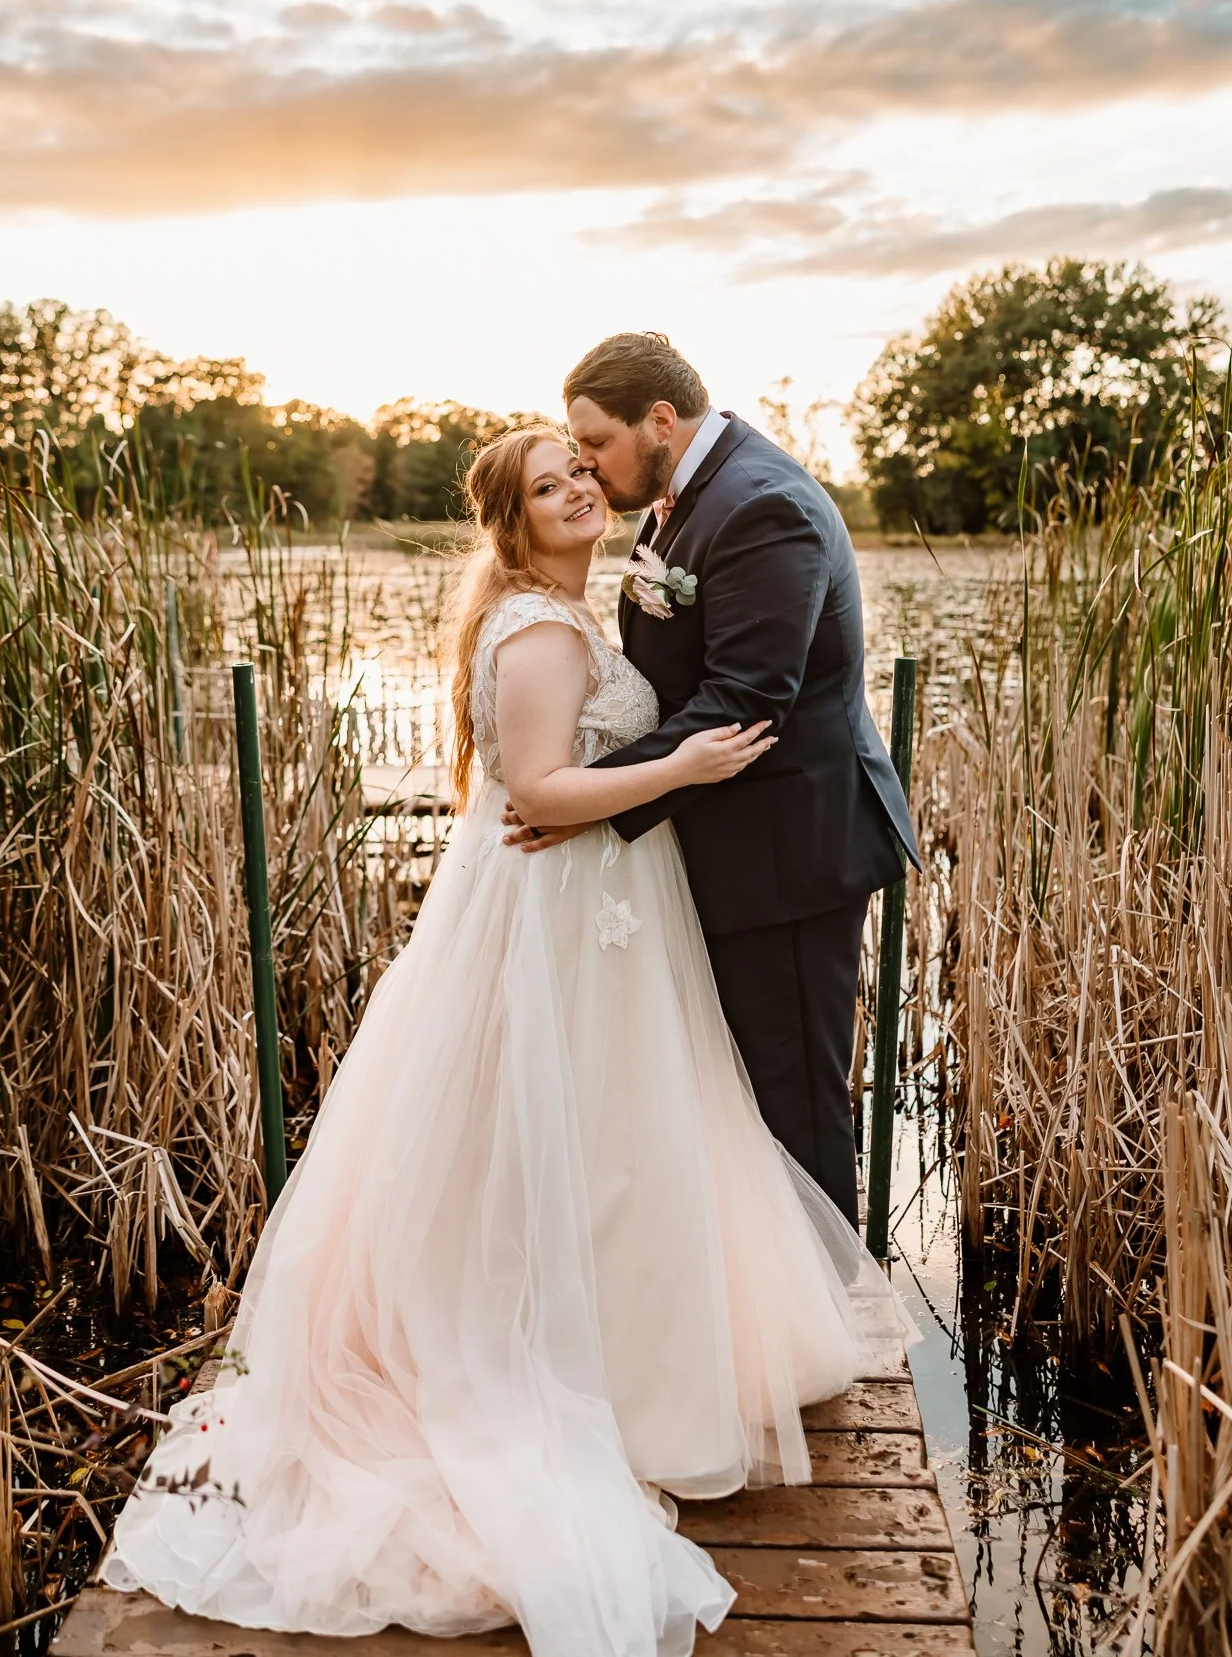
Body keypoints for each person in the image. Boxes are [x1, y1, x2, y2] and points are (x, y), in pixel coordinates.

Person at [102, 425, 914, 1657]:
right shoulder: (537, 629)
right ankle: (585, 1378)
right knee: (586, 1133)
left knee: (620, 1137)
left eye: (583, 471)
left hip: (609, 912)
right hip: (567, 910)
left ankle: (635, 1356)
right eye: (551, 483)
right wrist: (684, 761)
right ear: (512, 520)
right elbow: (535, 791)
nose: (580, 486)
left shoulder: (574, 609)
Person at [508, 333, 918, 1231]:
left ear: (660, 420)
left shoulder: (760, 505)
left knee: (791, 1098)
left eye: (595, 444)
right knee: (736, 1090)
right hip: (722, 839)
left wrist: (582, 799)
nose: (584, 465)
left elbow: (745, 699)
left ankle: (829, 1317)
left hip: (787, 854)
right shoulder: (677, 500)